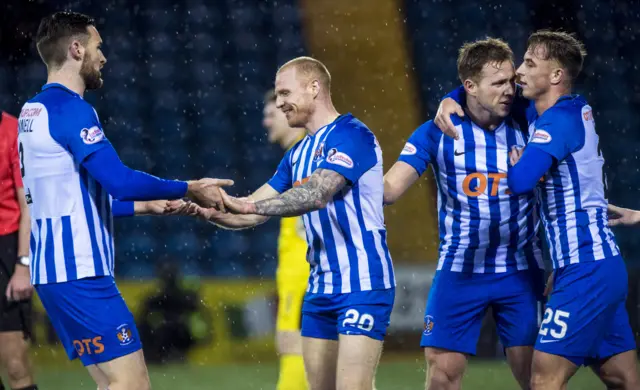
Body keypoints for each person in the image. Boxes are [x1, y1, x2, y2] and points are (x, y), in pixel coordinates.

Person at [19, 12, 231, 390]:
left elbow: (69, 201)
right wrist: (189, 186)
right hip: (81, 274)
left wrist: (145, 206)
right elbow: (120, 182)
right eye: (98, 47)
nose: (104, 57)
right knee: (132, 385)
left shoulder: (32, 112)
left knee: (112, 384)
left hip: (54, 273)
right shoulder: (71, 110)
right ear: (76, 48)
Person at [175, 56, 395, 390]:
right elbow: (252, 212)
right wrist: (212, 211)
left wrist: (246, 204)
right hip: (319, 288)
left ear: (314, 88)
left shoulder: (353, 135)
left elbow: (316, 194)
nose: (279, 103)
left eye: (284, 93)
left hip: (363, 283)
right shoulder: (296, 155)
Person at [436, 31, 639, 390]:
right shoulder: (564, 110)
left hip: (585, 270)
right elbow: (477, 96)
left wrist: (520, 164)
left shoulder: (557, 121)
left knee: (543, 378)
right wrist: (450, 99)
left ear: (556, 76)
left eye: (530, 63)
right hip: (594, 265)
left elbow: (520, 181)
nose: (518, 71)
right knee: (622, 377)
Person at [383, 38, 545, 390]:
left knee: (536, 378)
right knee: (442, 376)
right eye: (498, 83)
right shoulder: (436, 133)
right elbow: (390, 189)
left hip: (521, 271)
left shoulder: (531, 124)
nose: (509, 90)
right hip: (460, 270)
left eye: (510, 81)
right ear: (469, 86)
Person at [262, 89, 309, 390]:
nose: (266, 122)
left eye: (271, 114)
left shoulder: (305, 156)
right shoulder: (297, 158)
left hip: (304, 275)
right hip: (297, 275)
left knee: (294, 348)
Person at [0, 111, 38, 390]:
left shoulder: (13, 131)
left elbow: (28, 206)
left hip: (7, 249)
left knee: (15, 365)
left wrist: (23, 265)